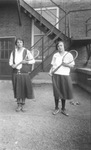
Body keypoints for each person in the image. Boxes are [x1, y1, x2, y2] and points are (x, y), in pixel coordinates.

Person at [49, 40, 75, 116]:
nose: (60, 47)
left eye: (61, 45)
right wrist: (50, 72)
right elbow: (53, 65)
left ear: (64, 46)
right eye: (58, 46)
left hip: (65, 75)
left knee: (64, 92)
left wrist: (66, 64)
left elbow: (72, 65)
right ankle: (56, 108)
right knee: (56, 92)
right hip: (56, 75)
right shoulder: (55, 55)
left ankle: (63, 109)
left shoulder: (69, 54)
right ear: (57, 47)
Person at [9, 38, 35, 112]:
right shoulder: (13, 52)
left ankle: (23, 104)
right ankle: (18, 105)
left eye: (21, 42)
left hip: (24, 73)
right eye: (18, 42)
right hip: (15, 73)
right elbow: (10, 62)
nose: (19, 43)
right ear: (16, 44)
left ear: (23, 43)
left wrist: (26, 62)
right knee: (17, 88)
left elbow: (33, 60)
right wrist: (12, 65)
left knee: (23, 88)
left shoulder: (27, 51)